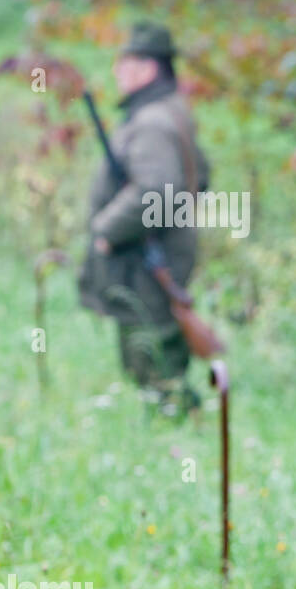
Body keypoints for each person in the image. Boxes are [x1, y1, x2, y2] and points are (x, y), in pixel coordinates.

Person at [78, 21, 210, 412]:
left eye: (125, 62)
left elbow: (157, 191)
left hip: (148, 258)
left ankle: (177, 427)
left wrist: (107, 229)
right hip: (161, 251)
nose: (117, 71)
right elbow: (199, 176)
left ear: (147, 69)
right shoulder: (171, 111)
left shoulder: (151, 121)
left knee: (151, 354)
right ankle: (177, 422)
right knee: (160, 344)